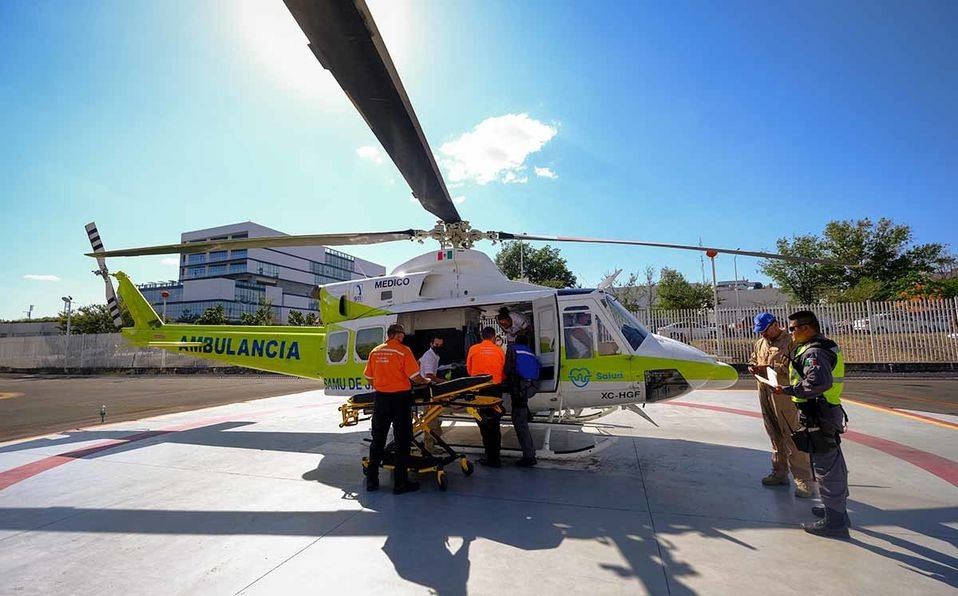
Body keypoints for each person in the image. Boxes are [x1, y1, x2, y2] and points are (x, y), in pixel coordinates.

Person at [774, 310, 850, 539]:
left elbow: (817, 382)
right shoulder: (821, 346)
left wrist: (788, 390)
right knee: (833, 463)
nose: (791, 333)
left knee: (826, 468)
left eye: (793, 328)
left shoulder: (815, 351)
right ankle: (837, 512)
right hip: (824, 411)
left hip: (819, 413)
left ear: (806, 328)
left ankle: (835, 522)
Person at [747, 312, 813, 498]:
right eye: (760, 332)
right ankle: (779, 472)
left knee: (791, 434)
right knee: (774, 433)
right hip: (765, 391)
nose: (763, 335)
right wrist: (753, 366)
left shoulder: (791, 342)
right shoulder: (761, 343)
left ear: (775, 325)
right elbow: (755, 358)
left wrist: (773, 369)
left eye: (765, 330)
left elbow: (797, 367)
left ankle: (803, 480)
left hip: (783, 393)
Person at [363, 323, 432, 495]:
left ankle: (372, 481)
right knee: (402, 441)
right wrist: (426, 382)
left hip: (380, 399)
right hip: (400, 400)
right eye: (402, 335)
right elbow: (415, 377)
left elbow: (369, 378)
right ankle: (400, 484)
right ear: (398, 335)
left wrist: (382, 385)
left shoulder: (375, 351)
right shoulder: (403, 351)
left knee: (377, 440)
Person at [466, 326, 506, 467]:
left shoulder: (473, 349)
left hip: (479, 390)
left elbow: (469, 370)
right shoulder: (499, 350)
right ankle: (495, 457)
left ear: (482, 337)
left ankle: (490, 456)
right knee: (494, 424)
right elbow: (503, 370)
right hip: (495, 391)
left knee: (483, 423)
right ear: (494, 337)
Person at [505, 334, 540, 466]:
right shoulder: (531, 352)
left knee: (520, 424)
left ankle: (529, 456)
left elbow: (508, 369)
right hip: (530, 388)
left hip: (519, 389)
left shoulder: (513, 349)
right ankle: (527, 413)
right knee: (522, 413)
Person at [418, 335, 446, 454]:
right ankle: (429, 447)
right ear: (431, 344)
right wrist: (444, 381)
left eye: (440, 345)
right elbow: (429, 375)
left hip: (428, 389)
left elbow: (419, 364)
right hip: (426, 390)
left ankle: (429, 444)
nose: (438, 347)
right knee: (431, 421)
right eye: (436, 344)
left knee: (433, 420)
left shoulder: (433, 355)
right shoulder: (429, 356)